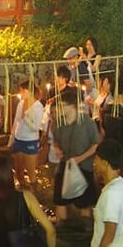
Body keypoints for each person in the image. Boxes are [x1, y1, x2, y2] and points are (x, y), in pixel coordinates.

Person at [52, 86, 101, 222]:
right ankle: (62, 231)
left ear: (71, 106)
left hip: (84, 166)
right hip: (65, 164)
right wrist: (57, 149)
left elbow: (95, 144)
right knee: (60, 200)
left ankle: (84, 231)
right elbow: (55, 140)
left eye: (62, 105)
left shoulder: (88, 123)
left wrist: (80, 158)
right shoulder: (57, 123)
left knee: (84, 204)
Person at [10, 80, 44, 188]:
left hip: (30, 140)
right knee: (18, 169)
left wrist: (26, 116)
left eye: (22, 91)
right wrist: (11, 138)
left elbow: (36, 127)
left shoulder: (38, 107)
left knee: (31, 171)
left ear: (28, 91)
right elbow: (16, 121)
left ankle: (33, 194)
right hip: (18, 139)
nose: (21, 93)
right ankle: (22, 190)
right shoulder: (21, 103)